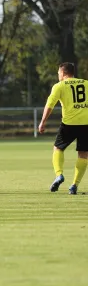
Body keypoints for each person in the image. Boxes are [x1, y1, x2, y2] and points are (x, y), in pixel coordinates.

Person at [39, 62, 88, 195]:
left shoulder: (59, 86)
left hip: (69, 123)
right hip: (86, 124)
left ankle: (59, 174)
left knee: (58, 148)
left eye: (58, 73)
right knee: (83, 154)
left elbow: (50, 105)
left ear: (63, 73)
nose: (58, 75)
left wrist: (42, 122)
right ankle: (74, 185)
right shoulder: (86, 83)